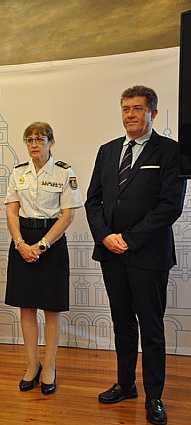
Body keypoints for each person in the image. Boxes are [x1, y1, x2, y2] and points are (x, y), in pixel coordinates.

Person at [85, 85, 186, 425]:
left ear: (152, 113)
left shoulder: (170, 152)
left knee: (152, 328)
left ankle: (154, 396)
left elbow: (170, 206)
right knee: (122, 324)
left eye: (138, 108)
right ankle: (126, 384)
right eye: (126, 108)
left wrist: (128, 239)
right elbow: (93, 201)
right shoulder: (107, 150)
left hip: (148, 255)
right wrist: (106, 237)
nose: (130, 114)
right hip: (112, 253)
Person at [5, 122, 83, 395]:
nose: (34, 144)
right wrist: (20, 244)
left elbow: (68, 215)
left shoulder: (64, 172)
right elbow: (12, 212)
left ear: (51, 141)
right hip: (22, 241)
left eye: (40, 139)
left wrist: (42, 245)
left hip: (52, 241)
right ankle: (32, 365)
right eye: (29, 140)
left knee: (51, 309)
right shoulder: (18, 173)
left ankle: (49, 366)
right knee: (26, 308)